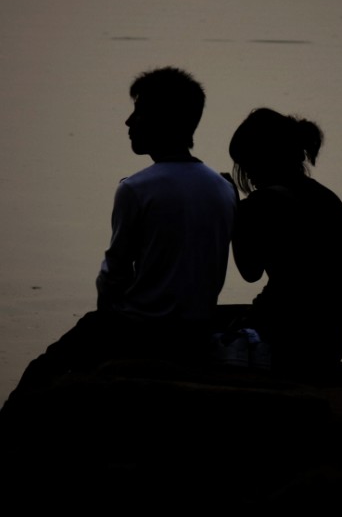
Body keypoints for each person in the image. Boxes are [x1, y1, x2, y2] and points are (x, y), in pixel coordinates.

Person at [2, 66, 237, 405]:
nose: (128, 122)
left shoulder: (137, 188)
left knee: (41, 372)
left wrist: (107, 319)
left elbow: (115, 273)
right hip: (197, 329)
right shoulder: (223, 189)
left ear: (160, 120)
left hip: (141, 329)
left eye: (138, 112)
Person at [214, 107, 342, 379]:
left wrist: (233, 208)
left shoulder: (261, 203)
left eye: (246, 164)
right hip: (331, 337)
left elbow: (249, 271)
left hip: (288, 335)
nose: (247, 175)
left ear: (261, 159)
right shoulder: (327, 198)